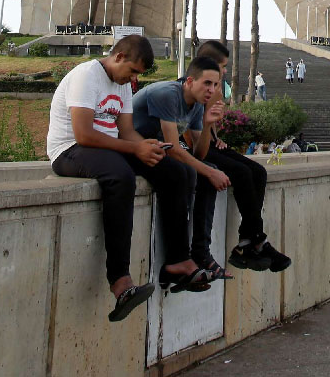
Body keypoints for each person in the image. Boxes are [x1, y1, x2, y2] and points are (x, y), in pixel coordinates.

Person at [47, 35, 202, 321]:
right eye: (132, 71)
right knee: (121, 178)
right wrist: (134, 148)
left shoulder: (124, 86)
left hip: (109, 147)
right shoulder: (86, 76)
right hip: (71, 150)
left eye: (138, 76)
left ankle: (179, 260)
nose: (133, 79)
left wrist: (147, 147)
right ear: (119, 57)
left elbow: (127, 131)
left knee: (175, 172)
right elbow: (83, 134)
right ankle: (120, 281)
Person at [131, 56, 254, 286]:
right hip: (133, 149)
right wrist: (209, 172)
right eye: (207, 83)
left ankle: (200, 253)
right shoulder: (168, 94)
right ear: (189, 81)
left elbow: (199, 154)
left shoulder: (197, 104)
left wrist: (207, 125)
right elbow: (175, 151)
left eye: (216, 85)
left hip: (156, 151)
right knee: (185, 173)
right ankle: (177, 260)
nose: (212, 90)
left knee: (207, 171)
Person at [193, 39, 291, 271]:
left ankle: (249, 240)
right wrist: (210, 137)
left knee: (258, 171)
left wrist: (217, 137)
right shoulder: (197, 86)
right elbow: (194, 135)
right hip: (197, 148)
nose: (225, 71)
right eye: (222, 66)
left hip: (210, 142)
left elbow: (208, 122)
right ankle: (255, 241)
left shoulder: (215, 88)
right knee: (241, 172)